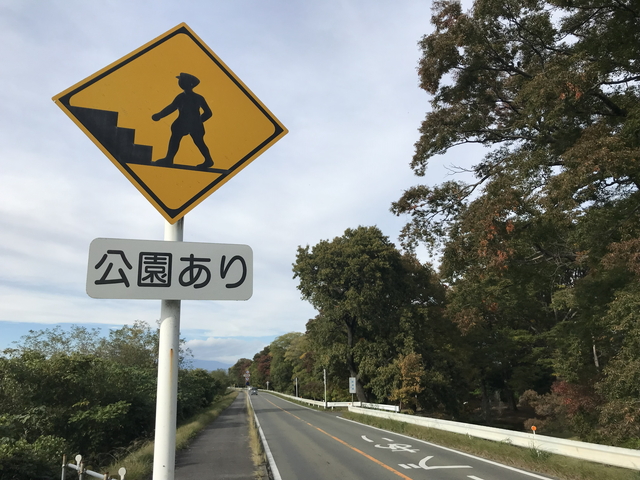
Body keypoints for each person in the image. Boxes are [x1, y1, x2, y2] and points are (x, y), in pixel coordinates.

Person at [152, 72, 214, 168]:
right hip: (182, 123)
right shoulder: (182, 97)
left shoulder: (197, 98)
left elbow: (208, 113)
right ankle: (169, 159)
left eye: (181, 81)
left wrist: (197, 121)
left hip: (192, 125)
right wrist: (160, 115)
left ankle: (208, 160)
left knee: (198, 142)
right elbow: (171, 107)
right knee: (175, 139)